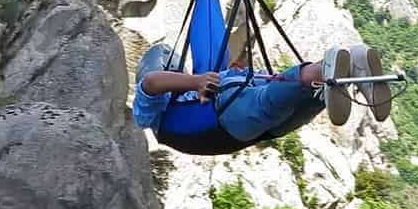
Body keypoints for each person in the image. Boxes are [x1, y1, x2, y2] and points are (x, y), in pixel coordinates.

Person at [133, 43, 391, 148]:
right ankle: (357, 66)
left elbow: (151, 81)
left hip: (226, 117)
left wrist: (195, 81)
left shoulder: (156, 111)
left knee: (270, 102)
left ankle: (326, 68)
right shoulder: (167, 103)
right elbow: (155, 82)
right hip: (258, 128)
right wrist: (196, 81)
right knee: (310, 97)